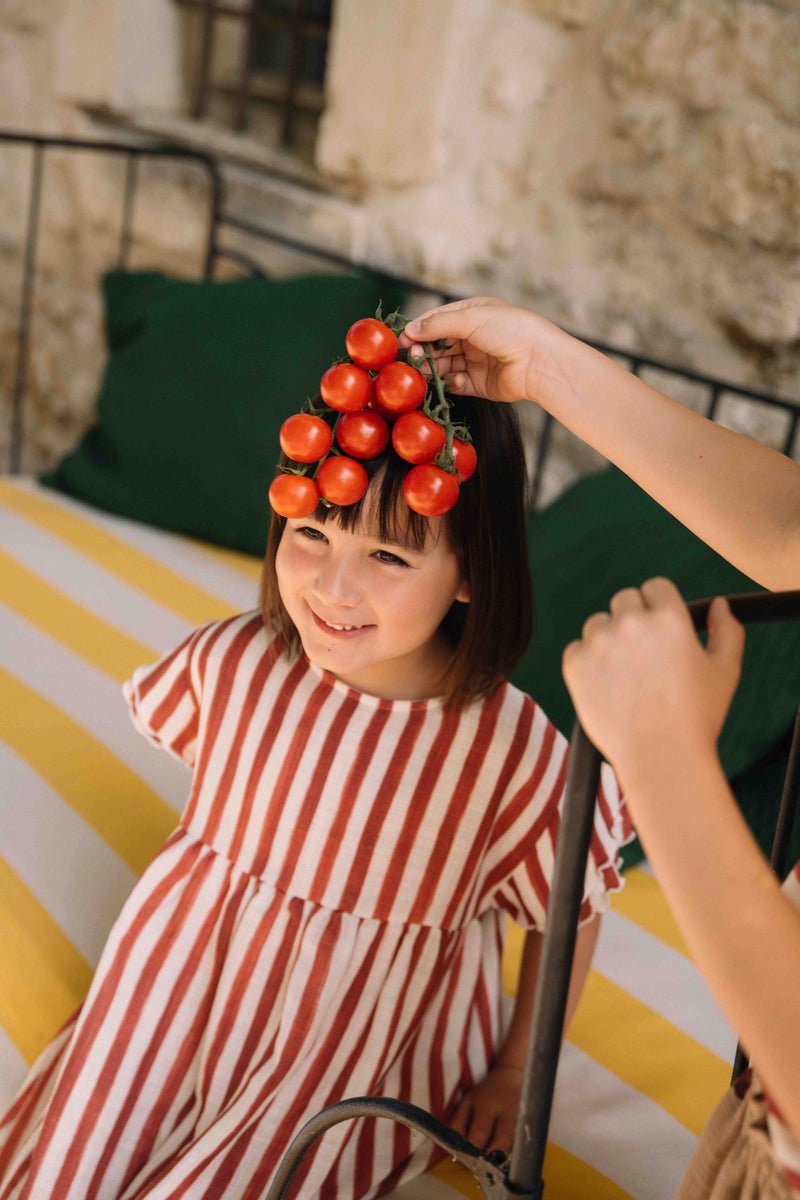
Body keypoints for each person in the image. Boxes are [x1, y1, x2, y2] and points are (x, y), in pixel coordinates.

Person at [0, 390, 631, 1200]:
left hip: (352, 1041)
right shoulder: (234, 660)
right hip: (177, 999)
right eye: (311, 534)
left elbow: (569, 907)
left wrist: (515, 1073)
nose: (333, 588)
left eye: (389, 557)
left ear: (472, 573)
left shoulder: (509, 749)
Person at [401, 298, 800, 1197]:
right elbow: (788, 527)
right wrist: (545, 365)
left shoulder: (522, 761)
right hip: (758, 1113)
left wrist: (663, 763)